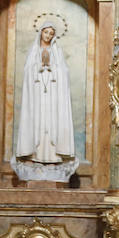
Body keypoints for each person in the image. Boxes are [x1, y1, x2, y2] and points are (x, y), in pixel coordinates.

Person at [14, 22, 75, 166]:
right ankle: (34, 154)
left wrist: (52, 67)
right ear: (41, 32)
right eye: (46, 32)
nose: (48, 36)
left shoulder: (56, 50)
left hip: (53, 94)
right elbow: (28, 71)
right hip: (37, 94)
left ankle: (53, 157)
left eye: (51, 34)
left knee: (51, 120)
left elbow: (64, 72)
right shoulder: (34, 50)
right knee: (37, 120)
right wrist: (38, 67)